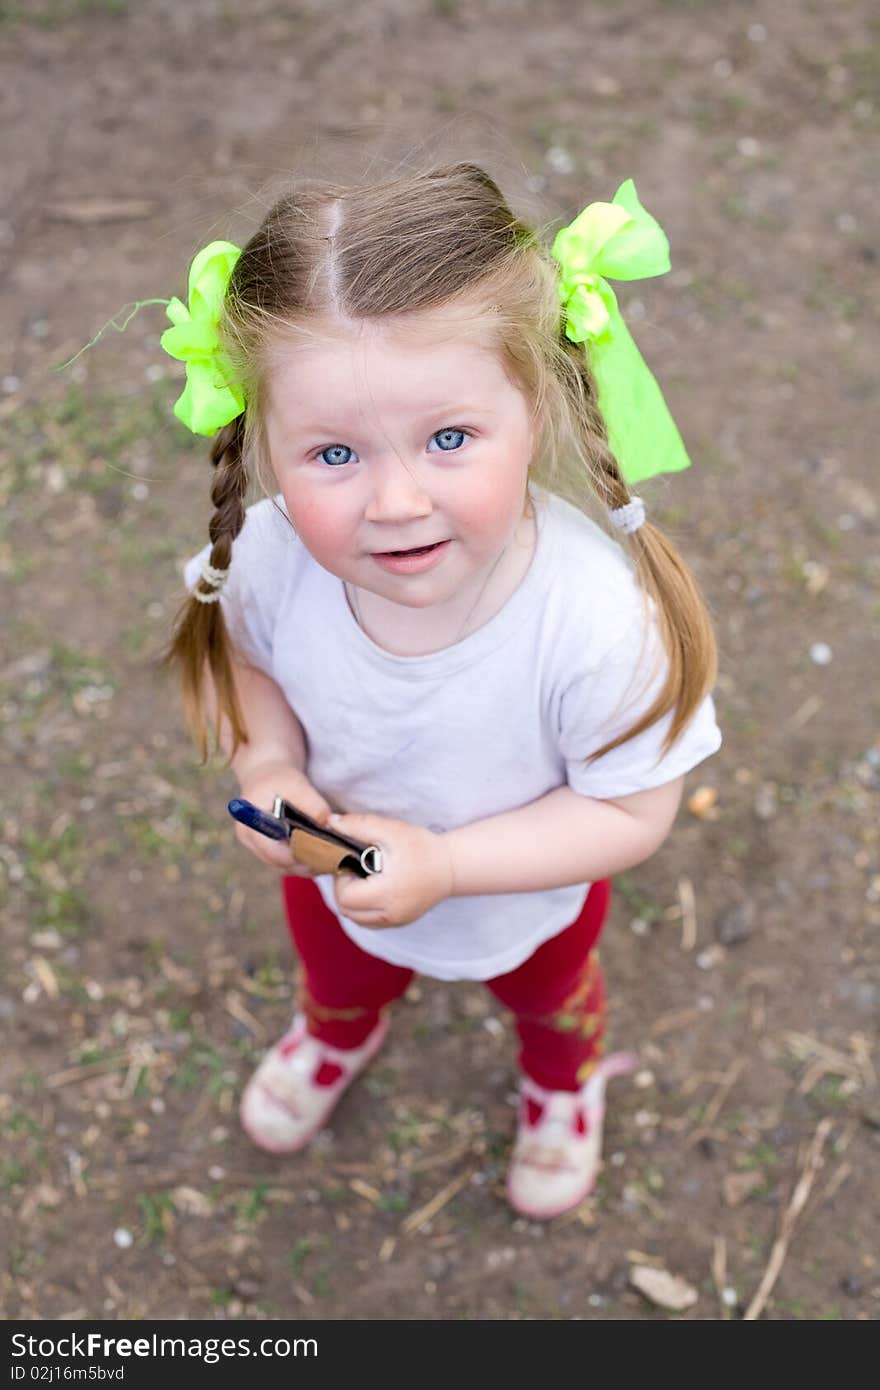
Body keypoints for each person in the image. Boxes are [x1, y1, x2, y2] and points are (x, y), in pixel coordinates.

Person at [162, 164, 721, 1220]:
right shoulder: (273, 556)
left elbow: (630, 808)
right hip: (335, 877)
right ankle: (337, 1032)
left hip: (532, 898)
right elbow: (250, 664)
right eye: (332, 452)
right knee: (338, 972)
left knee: (553, 1002)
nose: (397, 499)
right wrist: (269, 763)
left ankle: (561, 1087)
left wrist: (450, 864)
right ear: (266, 440)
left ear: (540, 402)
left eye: (449, 438)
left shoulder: (596, 622)